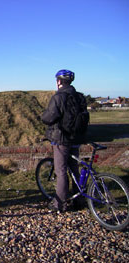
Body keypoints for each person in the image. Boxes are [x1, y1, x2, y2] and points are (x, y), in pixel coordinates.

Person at [41, 69, 87, 212]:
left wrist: (43, 116)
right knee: (74, 168)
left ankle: (59, 204)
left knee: (60, 171)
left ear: (59, 81)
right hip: (77, 137)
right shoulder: (80, 97)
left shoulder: (58, 97)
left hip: (62, 139)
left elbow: (49, 118)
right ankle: (79, 200)